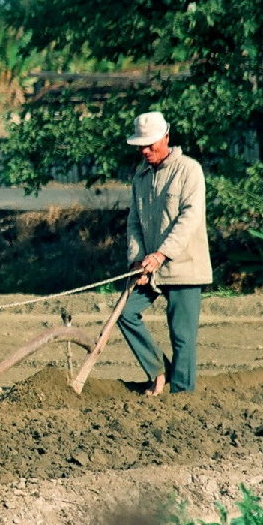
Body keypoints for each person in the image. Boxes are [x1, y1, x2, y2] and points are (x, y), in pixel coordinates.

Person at [116, 111, 212, 395]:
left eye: (151, 145)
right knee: (125, 312)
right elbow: (134, 221)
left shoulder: (189, 170)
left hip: (184, 265)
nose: (145, 151)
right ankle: (159, 371)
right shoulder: (141, 177)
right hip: (149, 268)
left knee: (181, 336)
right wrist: (137, 258)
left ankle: (182, 397)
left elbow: (190, 218)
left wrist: (160, 255)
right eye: (141, 146)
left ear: (166, 137)